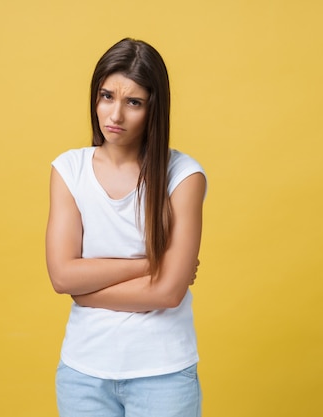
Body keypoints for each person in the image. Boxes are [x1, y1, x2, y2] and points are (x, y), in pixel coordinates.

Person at [45, 38, 207, 417]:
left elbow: (168, 293)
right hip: (82, 373)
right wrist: (150, 263)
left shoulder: (183, 176)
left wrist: (89, 290)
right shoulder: (69, 170)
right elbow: (63, 276)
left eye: (133, 102)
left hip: (163, 373)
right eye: (106, 96)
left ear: (154, 109)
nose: (114, 115)